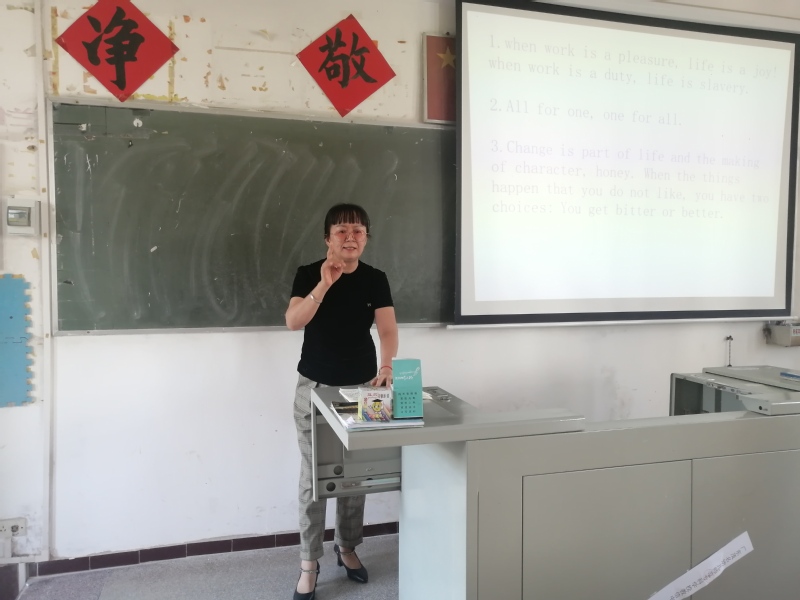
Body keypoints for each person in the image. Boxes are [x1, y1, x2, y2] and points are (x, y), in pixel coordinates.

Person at [285, 203, 399, 600]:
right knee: (313, 480)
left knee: (355, 477)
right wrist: (324, 283)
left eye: (358, 231)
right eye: (341, 231)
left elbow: (387, 329)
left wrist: (387, 366)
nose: (350, 237)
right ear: (327, 238)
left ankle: (347, 547)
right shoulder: (308, 273)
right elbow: (293, 321)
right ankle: (309, 562)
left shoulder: (375, 279)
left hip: (363, 390)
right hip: (314, 389)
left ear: (366, 238)